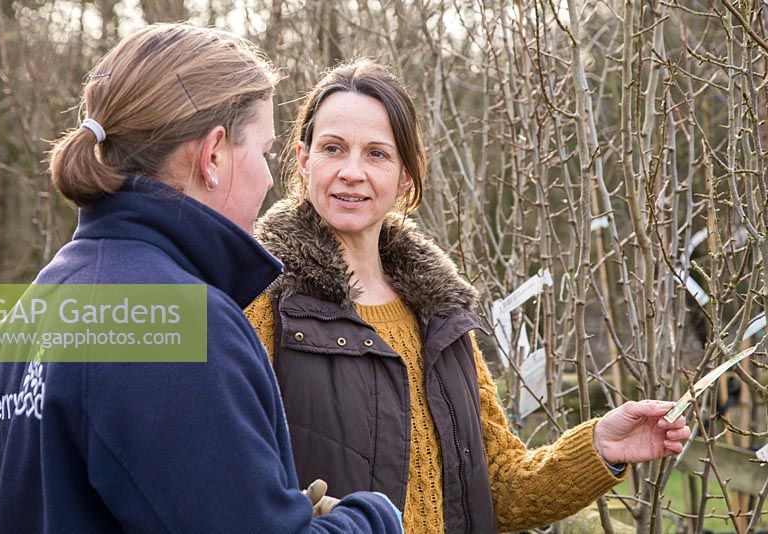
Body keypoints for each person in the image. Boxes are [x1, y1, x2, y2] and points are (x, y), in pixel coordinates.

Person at [0, 25, 402, 533]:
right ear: (213, 155)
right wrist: (374, 517)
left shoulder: (18, 322)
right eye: (263, 152)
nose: (269, 178)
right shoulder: (178, 326)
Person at [245, 59, 692, 533]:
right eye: (334, 148)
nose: (352, 171)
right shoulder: (262, 295)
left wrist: (600, 445)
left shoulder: (438, 312)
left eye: (377, 154)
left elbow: (498, 489)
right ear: (303, 159)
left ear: (405, 178)